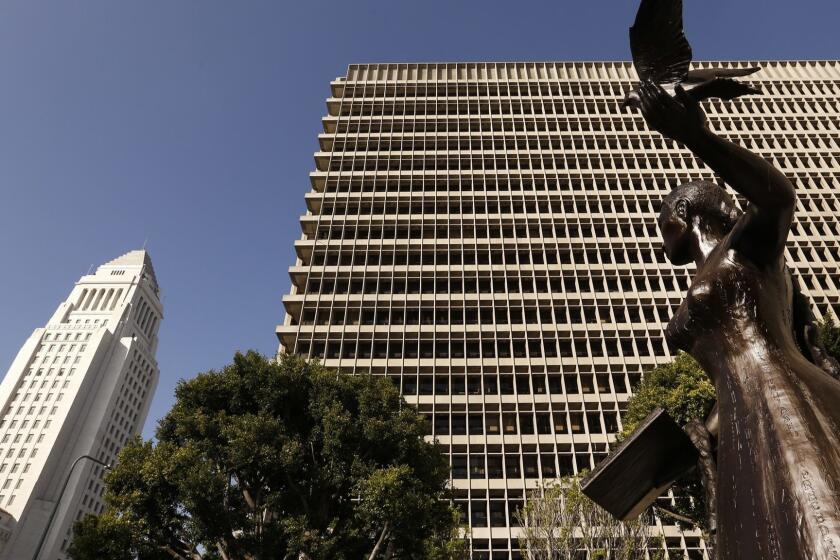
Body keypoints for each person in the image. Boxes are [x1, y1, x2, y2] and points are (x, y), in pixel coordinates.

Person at [637, 81, 840, 560]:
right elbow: (729, 375)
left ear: (684, 215)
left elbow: (778, 199)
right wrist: (704, 431)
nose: (660, 229)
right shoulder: (711, 270)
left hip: (785, 396)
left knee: (813, 526)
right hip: (741, 424)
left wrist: (697, 137)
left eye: (662, 217)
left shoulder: (748, 248)